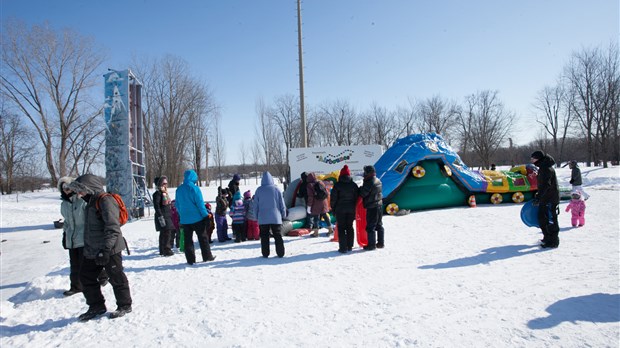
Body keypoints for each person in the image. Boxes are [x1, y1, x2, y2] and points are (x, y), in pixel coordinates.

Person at [67, 174, 132, 321]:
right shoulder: (90, 201)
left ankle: (125, 305)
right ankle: (96, 306)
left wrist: (106, 250)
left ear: (90, 188)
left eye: (81, 190)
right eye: (78, 191)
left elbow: (112, 227)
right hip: (92, 249)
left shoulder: (105, 200)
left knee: (116, 277)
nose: (79, 194)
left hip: (110, 248)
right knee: (85, 276)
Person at [58, 176, 108, 297]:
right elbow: (67, 221)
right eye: (63, 187)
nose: (66, 190)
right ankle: (76, 286)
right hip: (72, 237)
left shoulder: (82, 201)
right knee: (74, 263)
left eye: (68, 187)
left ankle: (102, 275)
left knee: (86, 262)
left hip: (84, 236)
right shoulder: (64, 204)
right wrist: (65, 234)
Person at [175, 169, 216, 265]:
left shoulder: (179, 189)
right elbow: (200, 204)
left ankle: (190, 260)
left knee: (188, 241)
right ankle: (207, 257)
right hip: (197, 219)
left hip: (185, 220)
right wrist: (205, 216)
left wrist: (182, 215)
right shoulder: (195, 189)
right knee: (203, 239)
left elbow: (177, 205)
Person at [251, 171, 287, 258]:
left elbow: (255, 206)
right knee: (277, 235)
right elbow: (282, 204)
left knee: (264, 236)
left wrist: (255, 217)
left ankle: (265, 253)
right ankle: (280, 253)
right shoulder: (276, 189)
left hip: (263, 218)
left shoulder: (259, 190)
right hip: (276, 217)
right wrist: (283, 214)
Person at [530, 150, 560, 249]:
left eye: (533, 158)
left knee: (550, 220)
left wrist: (538, 197)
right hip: (545, 198)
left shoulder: (546, 169)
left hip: (550, 198)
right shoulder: (543, 168)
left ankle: (553, 241)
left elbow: (546, 185)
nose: (532, 160)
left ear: (539, 159)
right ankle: (547, 237)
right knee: (542, 218)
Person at [330, 165, 359, 253]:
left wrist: (333, 209)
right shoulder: (353, 185)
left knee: (341, 228)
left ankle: (343, 247)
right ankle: (350, 246)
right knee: (349, 227)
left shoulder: (337, 185)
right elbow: (357, 198)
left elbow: (333, 199)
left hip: (340, 210)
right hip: (351, 209)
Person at [359, 165, 384, 250]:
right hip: (379, 204)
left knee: (371, 226)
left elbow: (363, 193)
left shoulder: (369, 182)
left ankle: (371, 245)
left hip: (372, 206)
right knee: (379, 225)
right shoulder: (378, 180)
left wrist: (360, 188)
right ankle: (381, 243)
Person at [306, 172, 333, 238]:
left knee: (316, 217)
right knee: (325, 216)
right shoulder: (321, 182)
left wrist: (309, 206)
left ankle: (316, 233)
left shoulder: (310, 185)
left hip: (316, 203)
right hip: (324, 202)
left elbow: (310, 197)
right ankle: (330, 229)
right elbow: (326, 192)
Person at [152, 176, 174, 256]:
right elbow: (157, 206)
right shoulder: (157, 194)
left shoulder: (165, 193)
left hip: (168, 215)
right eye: (163, 183)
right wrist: (160, 217)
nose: (165, 185)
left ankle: (163, 249)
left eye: (166, 183)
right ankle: (166, 249)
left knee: (166, 232)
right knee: (166, 233)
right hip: (162, 216)